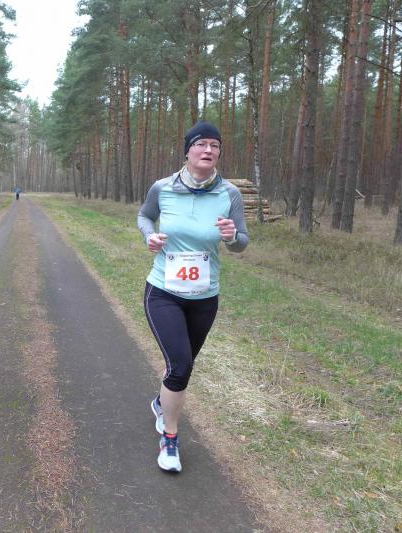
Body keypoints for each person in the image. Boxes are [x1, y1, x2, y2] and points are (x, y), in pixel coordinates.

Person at [137, 121, 249, 472]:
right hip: (164, 291)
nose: (208, 150)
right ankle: (169, 438)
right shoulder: (163, 188)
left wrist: (232, 237)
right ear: (187, 151)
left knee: (181, 366)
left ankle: (162, 402)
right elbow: (144, 216)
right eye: (201, 144)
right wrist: (149, 236)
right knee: (180, 365)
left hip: (204, 297)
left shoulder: (230, 194)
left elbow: (241, 244)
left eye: (215, 145)